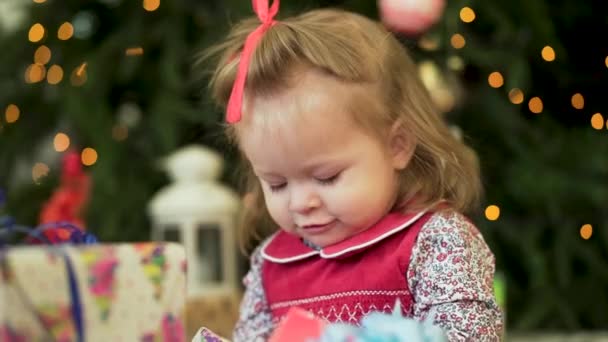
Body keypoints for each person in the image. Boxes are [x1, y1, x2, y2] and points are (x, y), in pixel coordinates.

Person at [200, 1, 503, 341]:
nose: (301, 202)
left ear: (397, 146)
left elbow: (470, 335)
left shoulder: (435, 242)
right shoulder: (271, 263)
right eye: (277, 184)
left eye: (327, 177)